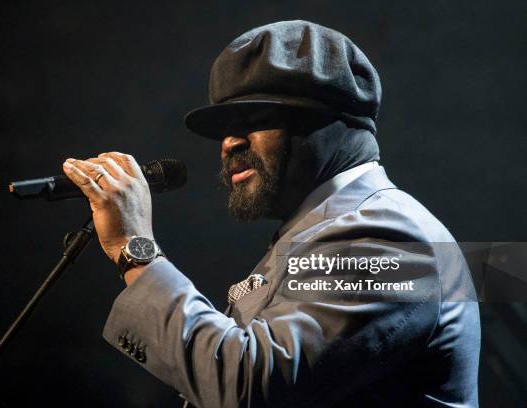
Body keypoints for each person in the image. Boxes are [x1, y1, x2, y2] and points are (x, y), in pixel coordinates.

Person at [62, 20, 480, 407]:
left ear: (334, 122)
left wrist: (135, 249)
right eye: (224, 127)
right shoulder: (317, 232)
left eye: (255, 117)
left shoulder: (388, 238)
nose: (229, 143)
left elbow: (246, 384)